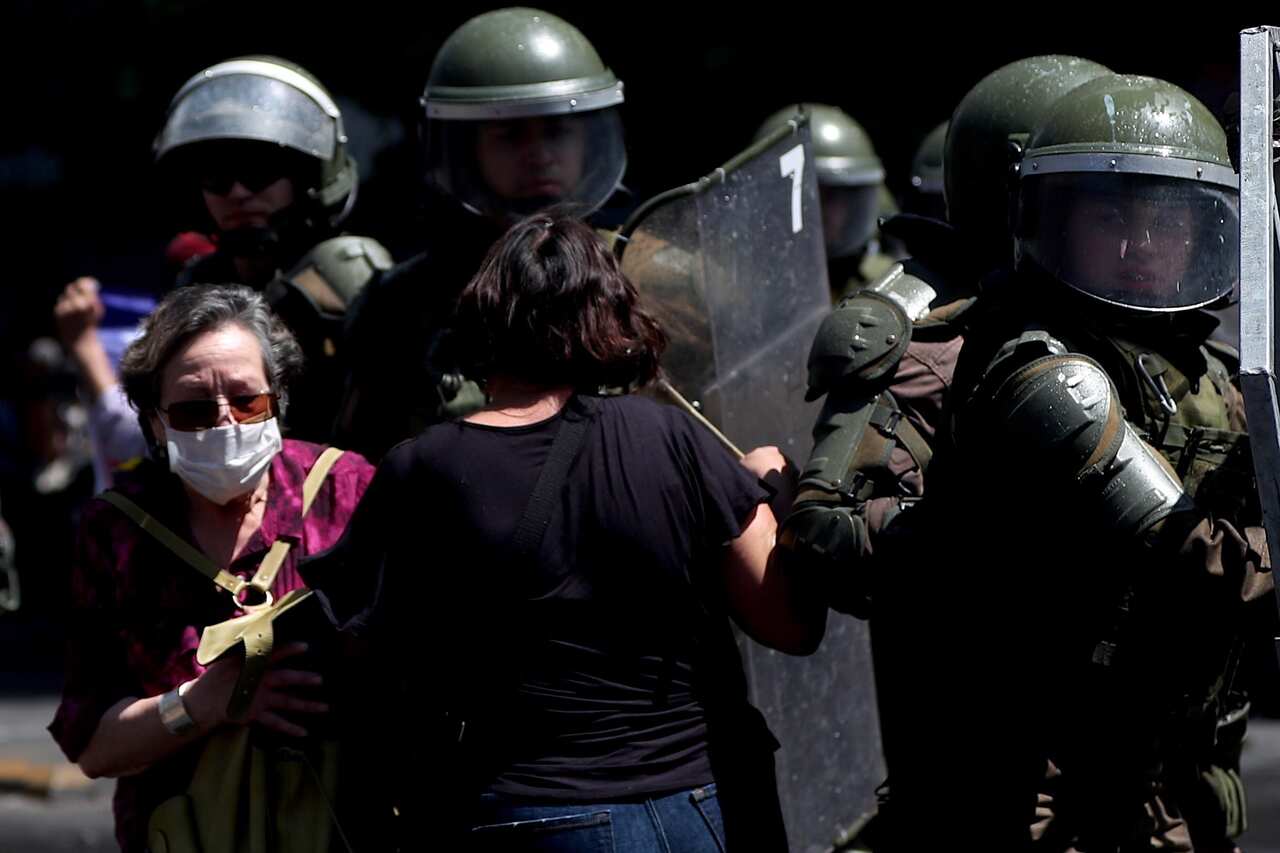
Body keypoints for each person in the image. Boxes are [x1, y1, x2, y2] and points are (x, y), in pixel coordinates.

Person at [835, 74, 1266, 850]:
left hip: (1168, 773)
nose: (1139, 247)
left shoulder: (1201, 368)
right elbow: (1194, 561)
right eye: (1110, 217)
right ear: (1052, 222)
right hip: (1045, 796)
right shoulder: (1042, 369)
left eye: (1165, 217)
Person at [302, 212, 825, 850]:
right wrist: (777, 493)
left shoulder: (425, 467)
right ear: (610, 316)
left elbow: (361, 662)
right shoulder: (676, 439)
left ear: (481, 319)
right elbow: (791, 625)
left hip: (532, 814)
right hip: (708, 806)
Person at [47, 285, 375, 853]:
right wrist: (206, 702)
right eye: (195, 409)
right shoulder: (117, 529)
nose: (225, 424)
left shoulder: (347, 490)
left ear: (279, 398)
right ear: (154, 421)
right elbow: (94, 748)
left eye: (247, 401)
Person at [56, 56, 388, 458]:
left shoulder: (342, 280)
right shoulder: (199, 282)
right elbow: (147, 436)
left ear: (306, 177)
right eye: (217, 178)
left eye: (260, 172)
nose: (236, 192)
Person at [338, 7, 630, 460]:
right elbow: (363, 467)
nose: (540, 156)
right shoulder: (402, 304)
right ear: (465, 151)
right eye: (510, 136)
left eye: (557, 131)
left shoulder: (642, 272)